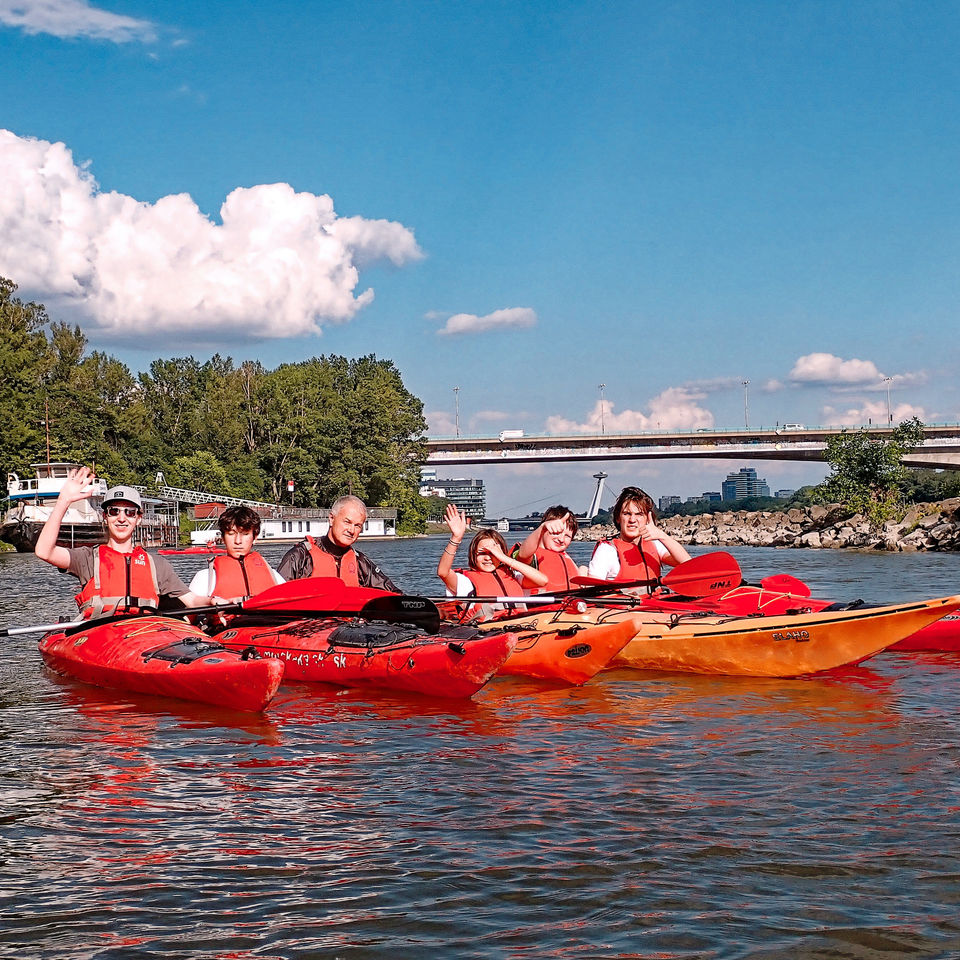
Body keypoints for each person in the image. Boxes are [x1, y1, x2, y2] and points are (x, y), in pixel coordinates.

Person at [34, 466, 211, 617]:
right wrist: (63, 501)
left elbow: (192, 600)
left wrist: (213, 601)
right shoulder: (86, 559)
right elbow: (44, 551)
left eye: (129, 512)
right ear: (105, 516)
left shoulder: (157, 565)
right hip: (102, 636)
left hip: (143, 633)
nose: (121, 518)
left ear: (138, 518)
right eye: (114, 511)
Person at [436, 504, 547, 613]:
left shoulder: (514, 577)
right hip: (487, 628)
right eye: (482, 553)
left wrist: (505, 558)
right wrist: (456, 538)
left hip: (519, 626)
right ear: (473, 555)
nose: (488, 558)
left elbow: (542, 581)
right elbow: (443, 572)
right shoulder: (464, 581)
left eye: (493, 553)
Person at [277, 494, 399, 591]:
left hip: (348, 621)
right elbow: (275, 596)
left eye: (357, 526)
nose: (351, 530)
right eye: (347, 522)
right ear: (331, 519)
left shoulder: (360, 563)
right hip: (309, 621)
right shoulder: (300, 556)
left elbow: (392, 594)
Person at [587, 485, 691, 585]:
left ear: (647, 519)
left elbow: (687, 564)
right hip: (622, 602)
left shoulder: (654, 544)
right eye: (627, 514)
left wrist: (662, 536)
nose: (632, 520)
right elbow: (591, 590)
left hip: (652, 601)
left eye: (639, 514)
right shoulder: (607, 550)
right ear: (618, 518)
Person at [188, 505, 284, 602]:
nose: (238, 541)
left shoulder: (274, 576)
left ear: (255, 538)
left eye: (245, 534)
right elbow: (186, 616)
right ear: (223, 538)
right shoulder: (205, 578)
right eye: (231, 534)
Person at [513, 504, 587, 593]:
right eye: (557, 532)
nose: (561, 539)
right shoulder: (531, 554)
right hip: (543, 605)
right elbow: (523, 555)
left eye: (567, 536)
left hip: (571, 603)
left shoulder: (565, 556)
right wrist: (542, 528)